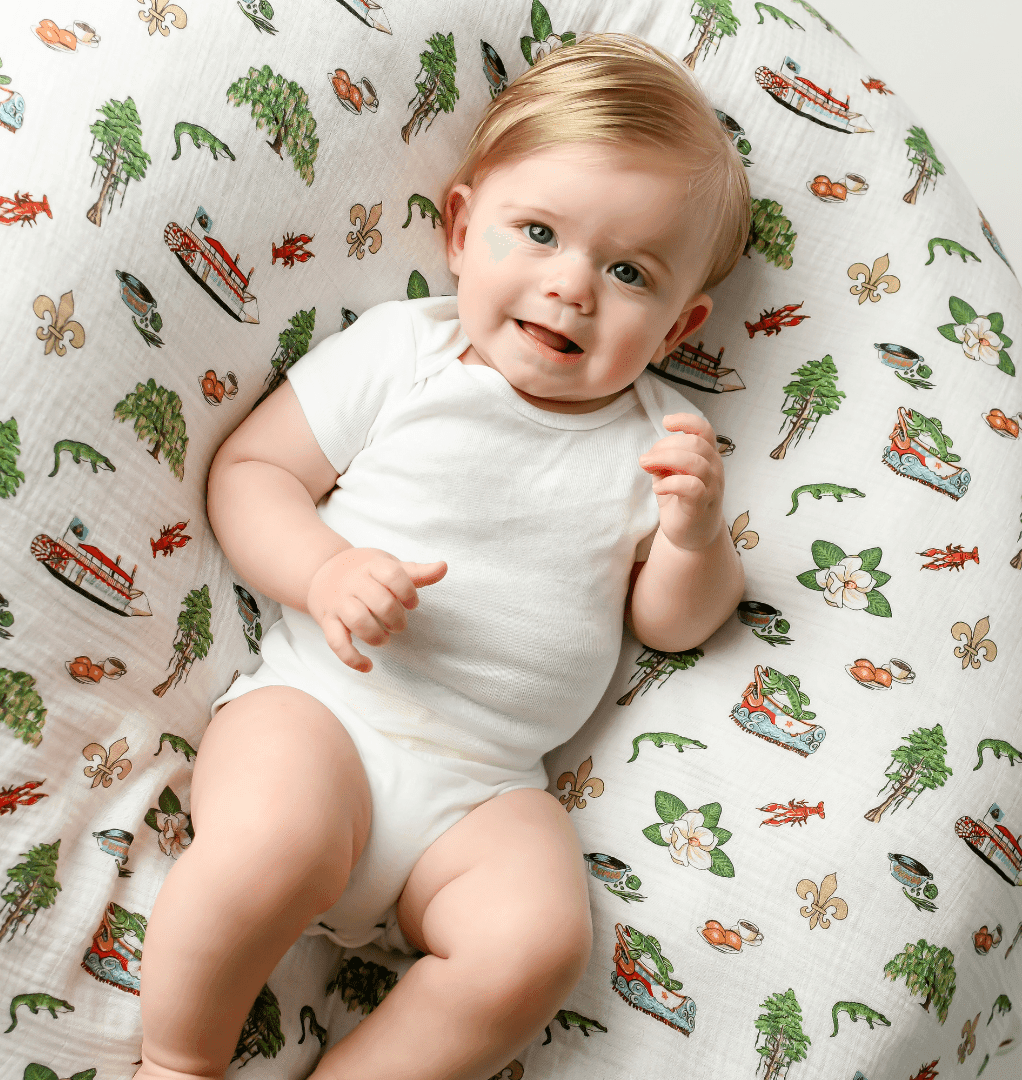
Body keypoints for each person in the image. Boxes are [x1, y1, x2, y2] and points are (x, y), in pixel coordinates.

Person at [134, 31, 750, 1080]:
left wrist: (695, 536)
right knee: (277, 842)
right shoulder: (405, 353)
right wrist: (324, 570)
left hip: (488, 789)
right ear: (463, 229)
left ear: (680, 323)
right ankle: (178, 1062)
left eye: (628, 270)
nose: (571, 287)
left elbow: (675, 622)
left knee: (538, 943)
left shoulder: (661, 442)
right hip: (324, 708)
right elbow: (252, 476)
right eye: (541, 232)